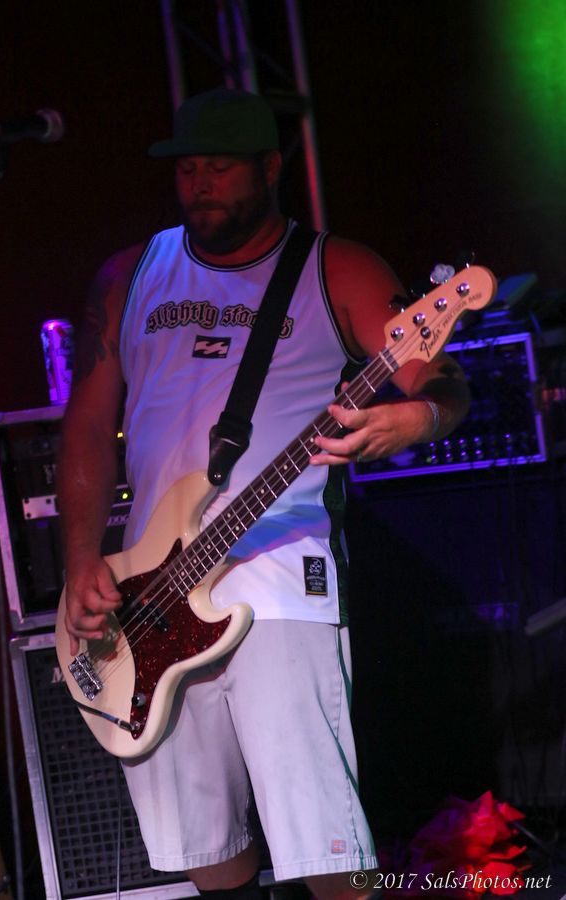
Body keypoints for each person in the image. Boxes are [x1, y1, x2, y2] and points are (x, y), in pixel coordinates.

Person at [57, 87, 469, 900]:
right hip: (151, 591)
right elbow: (87, 427)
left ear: (270, 167)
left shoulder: (336, 268)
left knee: (325, 846)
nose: (200, 184)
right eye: (188, 169)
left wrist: (414, 418)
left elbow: (444, 383)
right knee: (208, 853)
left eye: (220, 168)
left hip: (280, 574)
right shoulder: (129, 276)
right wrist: (79, 562)